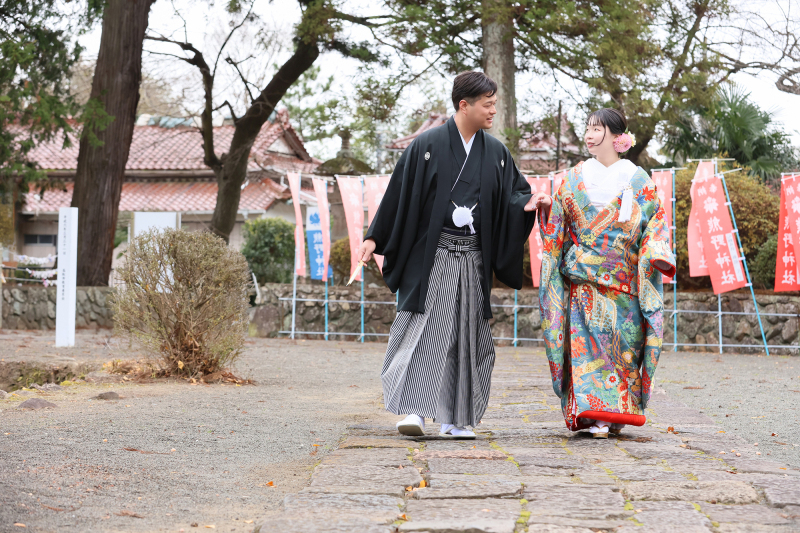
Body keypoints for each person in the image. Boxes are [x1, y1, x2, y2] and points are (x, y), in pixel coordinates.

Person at [357, 71, 550, 439]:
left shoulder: (494, 152)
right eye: (488, 104)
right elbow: (399, 194)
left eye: (494, 103)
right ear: (465, 105)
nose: (493, 110)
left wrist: (529, 204)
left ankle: (455, 418)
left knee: (466, 334)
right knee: (425, 328)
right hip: (434, 257)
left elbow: (515, 194)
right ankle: (414, 409)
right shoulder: (426, 145)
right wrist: (375, 238)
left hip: (472, 259)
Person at [539, 108, 675, 438]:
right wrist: (546, 213)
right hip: (584, 283)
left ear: (617, 137)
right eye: (587, 127)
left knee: (624, 351)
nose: (588, 134)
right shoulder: (572, 178)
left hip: (625, 282)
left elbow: (656, 223)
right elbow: (557, 226)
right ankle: (592, 415)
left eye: (596, 128)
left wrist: (656, 252)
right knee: (585, 351)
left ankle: (614, 414)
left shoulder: (638, 179)